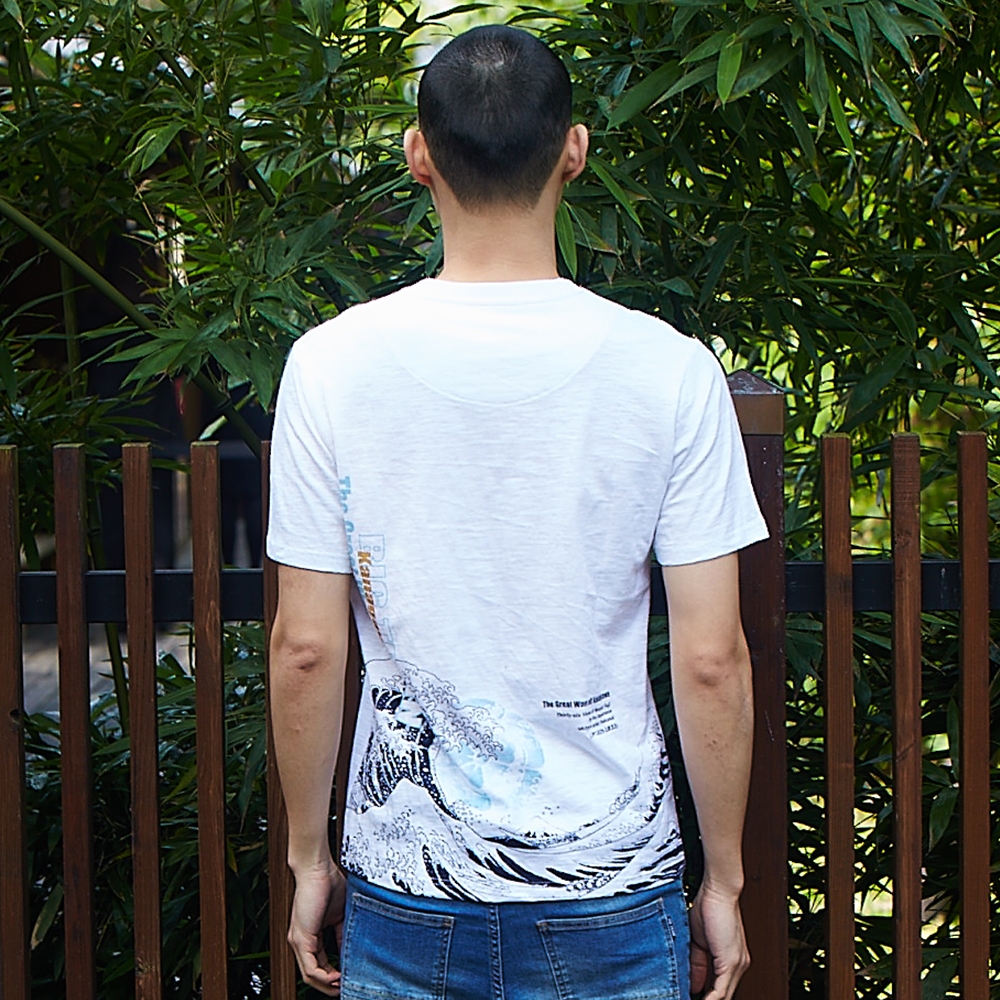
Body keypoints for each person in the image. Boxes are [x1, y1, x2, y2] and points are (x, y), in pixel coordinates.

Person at [266, 24, 767, 1000]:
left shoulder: (330, 366)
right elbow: (712, 659)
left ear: (418, 155)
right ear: (573, 150)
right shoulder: (668, 370)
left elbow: (306, 649)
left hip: (409, 888)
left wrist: (307, 858)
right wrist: (723, 877)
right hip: (612, 888)